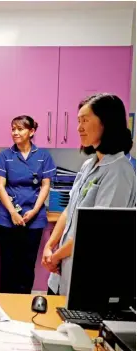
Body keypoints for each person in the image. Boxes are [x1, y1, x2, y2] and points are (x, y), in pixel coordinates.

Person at [42, 93, 136, 296]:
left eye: (85, 120)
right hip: (61, 272)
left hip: (87, 275)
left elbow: (97, 231)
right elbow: (69, 209)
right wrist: (49, 247)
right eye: (78, 121)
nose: (79, 128)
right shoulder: (88, 165)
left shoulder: (119, 171)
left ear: (106, 123)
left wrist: (56, 256)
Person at [0, 115, 57, 294]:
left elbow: (46, 185)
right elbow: (0, 186)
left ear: (32, 131)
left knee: (27, 265)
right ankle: (5, 303)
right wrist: (13, 212)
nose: (15, 132)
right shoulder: (5, 155)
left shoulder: (43, 156)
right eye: (13, 128)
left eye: (20, 129)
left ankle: (23, 303)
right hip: (7, 218)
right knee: (8, 263)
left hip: (34, 219)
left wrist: (35, 210)